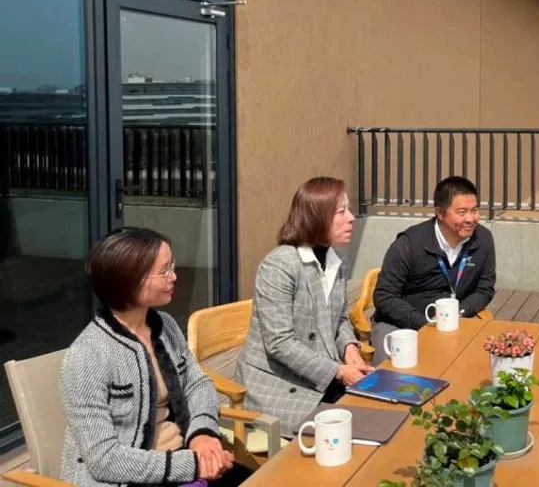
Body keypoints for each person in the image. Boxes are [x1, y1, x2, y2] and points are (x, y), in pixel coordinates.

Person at [60, 226, 250, 487]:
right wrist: (194, 464)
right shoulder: (88, 355)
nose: (174, 277)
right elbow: (104, 459)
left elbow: (198, 383)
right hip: (126, 478)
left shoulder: (165, 326)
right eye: (164, 271)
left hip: (183, 456)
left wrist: (203, 434)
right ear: (128, 280)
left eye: (172, 266)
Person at [234, 177, 375, 437]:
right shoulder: (279, 265)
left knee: (377, 415)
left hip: (324, 372)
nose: (352, 218)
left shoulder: (337, 261)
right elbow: (279, 343)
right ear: (316, 217)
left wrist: (350, 347)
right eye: (341, 211)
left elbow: (339, 318)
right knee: (351, 431)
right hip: (279, 384)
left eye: (349, 210)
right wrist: (340, 372)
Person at [371, 176, 496, 364]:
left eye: (475, 210)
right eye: (462, 212)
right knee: (389, 369)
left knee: (482, 362)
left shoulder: (483, 240)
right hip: (401, 325)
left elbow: (484, 288)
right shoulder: (409, 244)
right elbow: (384, 297)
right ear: (440, 212)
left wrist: (458, 314)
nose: (471, 218)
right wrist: (425, 325)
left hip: (456, 323)